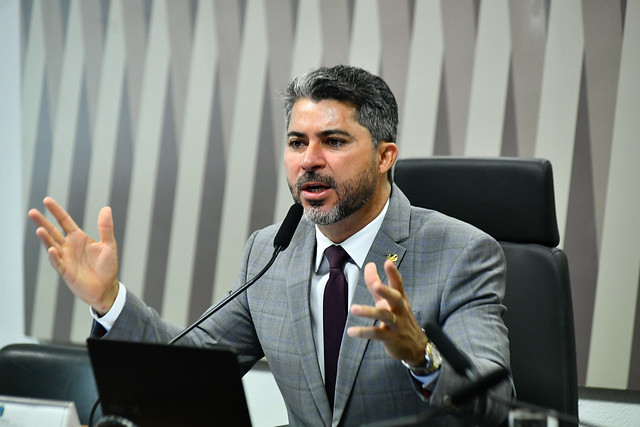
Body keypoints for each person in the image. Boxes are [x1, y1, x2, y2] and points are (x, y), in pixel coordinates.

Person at [29, 65, 513, 426]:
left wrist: (421, 355)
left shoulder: (462, 253)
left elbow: (496, 405)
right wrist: (109, 301)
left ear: (385, 156)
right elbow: (189, 364)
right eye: (297, 142)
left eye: (333, 141)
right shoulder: (270, 252)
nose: (309, 161)